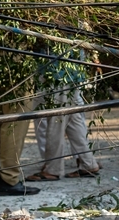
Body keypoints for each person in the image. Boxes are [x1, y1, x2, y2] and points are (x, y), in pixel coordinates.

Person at [27, 45, 99, 181]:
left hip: (58, 74)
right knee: (73, 120)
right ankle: (88, 163)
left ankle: (53, 169)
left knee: (56, 121)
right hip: (73, 74)